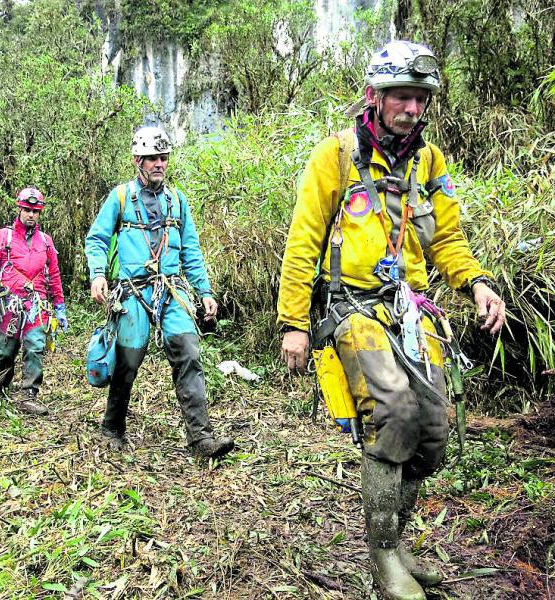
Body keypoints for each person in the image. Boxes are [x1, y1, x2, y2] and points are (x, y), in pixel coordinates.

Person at [277, 41, 506, 600]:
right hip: (350, 307)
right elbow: (303, 239)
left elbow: (447, 237)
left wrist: (476, 282)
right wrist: (293, 322)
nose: (411, 108)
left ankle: (396, 539)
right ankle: (383, 557)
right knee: (395, 414)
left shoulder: (429, 163)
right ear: (374, 96)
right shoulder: (334, 156)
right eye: (401, 96)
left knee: (433, 434)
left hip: (408, 307)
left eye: (420, 98)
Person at [84, 125, 234, 459]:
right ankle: (113, 427)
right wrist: (97, 273)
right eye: (152, 157)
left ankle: (201, 439)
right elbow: (96, 238)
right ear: (137, 159)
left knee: (189, 353)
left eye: (163, 157)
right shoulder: (120, 197)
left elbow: (191, 251)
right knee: (127, 360)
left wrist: (204, 291)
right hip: (133, 291)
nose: (159, 163)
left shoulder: (177, 201)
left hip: (171, 290)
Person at [0, 187, 67, 416]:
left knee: (35, 348)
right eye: (27, 210)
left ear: (40, 213)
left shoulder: (46, 242)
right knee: (6, 350)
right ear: (20, 209)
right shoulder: (4, 236)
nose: (31, 215)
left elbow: (55, 275)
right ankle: (2, 387)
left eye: (35, 211)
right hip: (9, 303)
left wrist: (59, 306)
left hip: (36, 305)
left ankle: (29, 394)